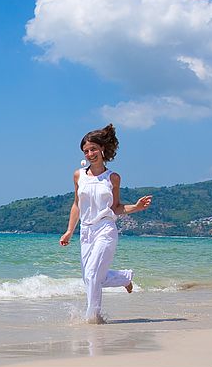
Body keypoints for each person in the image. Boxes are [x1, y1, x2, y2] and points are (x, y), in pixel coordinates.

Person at [59, 124, 152, 324]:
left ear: (102, 149)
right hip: (86, 232)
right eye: (86, 151)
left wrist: (135, 207)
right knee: (90, 279)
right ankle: (124, 278)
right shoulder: (79, 176)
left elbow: (116, 207)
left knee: (93, 275)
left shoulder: (113, 178)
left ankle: (93, 318)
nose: (90, 153)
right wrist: (69, 232)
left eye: (93, 149)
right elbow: (76, 205)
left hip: (105, 230)